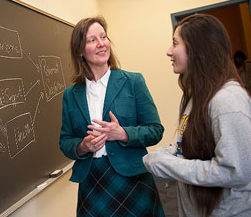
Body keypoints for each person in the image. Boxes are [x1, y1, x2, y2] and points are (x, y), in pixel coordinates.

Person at [143, 14, 251, 217]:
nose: (168, 52)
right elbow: (189, 146)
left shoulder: (228, 100)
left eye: (175, 43)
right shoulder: (193, 97)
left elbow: (235, 170)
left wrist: (169, 165)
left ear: (198, 49)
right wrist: (167, 153)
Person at [59, 16, 165, 216]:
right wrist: (83, 146)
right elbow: (65, 141)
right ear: (80, 51)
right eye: (92, 40)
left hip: (133, 179)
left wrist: (123, 133)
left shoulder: (133, 81)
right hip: (92, 182)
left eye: (103, 37)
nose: (101, 44)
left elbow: (155, 130)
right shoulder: (70, 95)